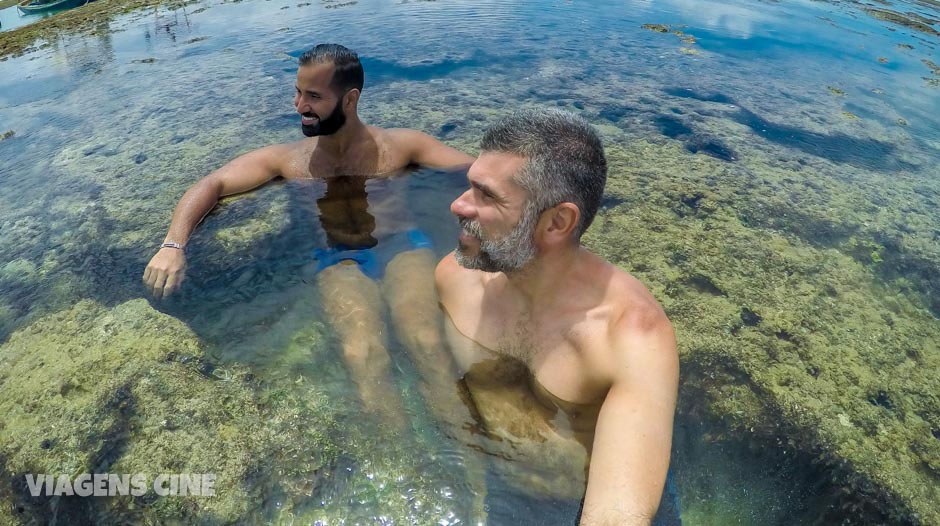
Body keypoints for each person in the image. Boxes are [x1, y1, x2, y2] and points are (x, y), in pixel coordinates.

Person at [141, 42, 473, 426]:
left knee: (427, 343)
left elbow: (478, 172)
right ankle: (398, 457)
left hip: (402, 247)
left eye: (313, 96)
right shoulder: (290, 160)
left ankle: (467, 461)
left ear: (350, 100)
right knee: (362, 353)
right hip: (339, 257)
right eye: (298, 92)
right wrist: (172, 244)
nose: (299, 106)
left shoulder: (401, 146)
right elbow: (213, 183)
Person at [416, 109, 680, 524]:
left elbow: (616, 513)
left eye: (487, 195)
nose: (458, 204)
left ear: (557, 222)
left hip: (585, 496)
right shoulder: (455, 280)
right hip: (498, 479)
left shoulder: (628, 337)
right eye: (470, 185)